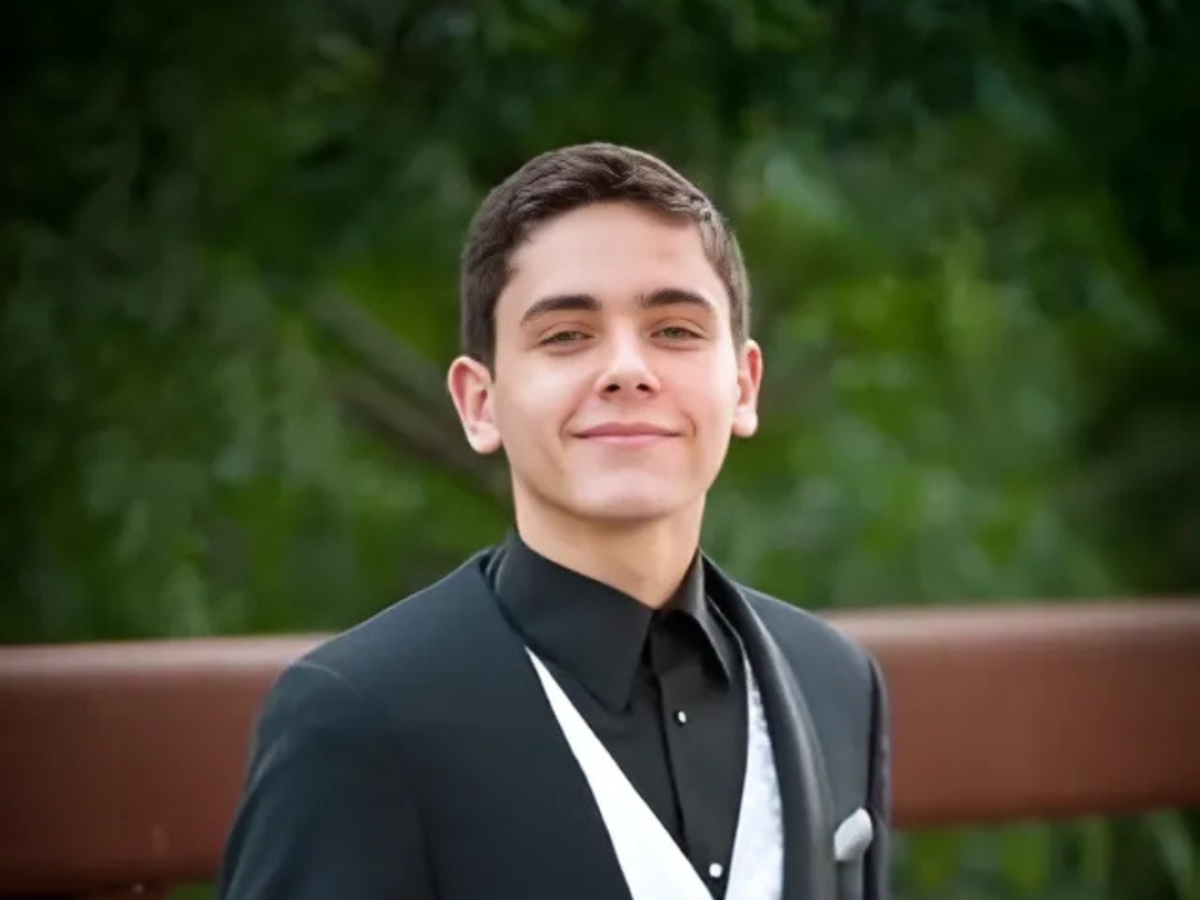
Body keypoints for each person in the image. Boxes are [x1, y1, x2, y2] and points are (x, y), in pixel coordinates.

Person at [218, 142, 890, 900]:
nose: (628, 368)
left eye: (675, 330)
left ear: (743, 385)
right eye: (566, 335)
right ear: (480, 402)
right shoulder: (355, 719)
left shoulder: (837, 682)